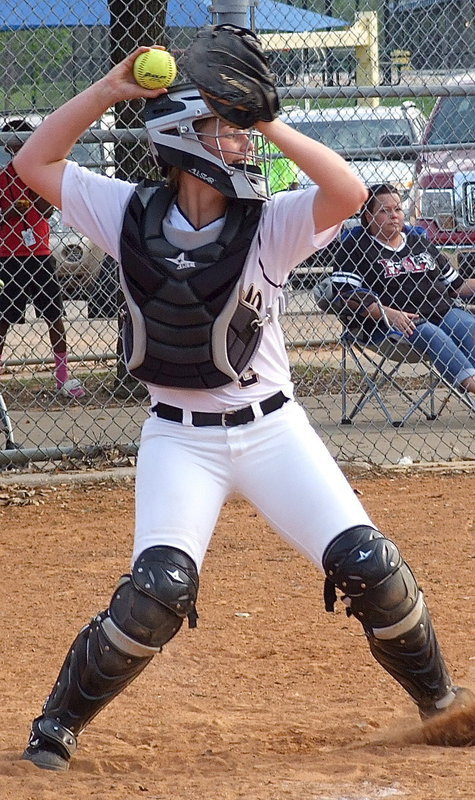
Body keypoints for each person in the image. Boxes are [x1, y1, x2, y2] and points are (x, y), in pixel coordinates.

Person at [13, 36, 473, 772]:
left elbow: (349, 195)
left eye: (239, 127)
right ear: (179, 138)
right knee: (157, 591)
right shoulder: (124, 210)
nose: (238, 142)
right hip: (179, 439)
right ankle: (56, 729)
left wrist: (265, 120)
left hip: (272, 431)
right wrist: (105, 91)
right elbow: (33, 162)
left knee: (369, 563)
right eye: (222, 127)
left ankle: (441, 702)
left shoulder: (270, 221)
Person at [330, 183, 475, 395]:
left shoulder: (419, 242)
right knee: (433, 335)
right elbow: (345, 295)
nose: (394, 216)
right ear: (369, 216)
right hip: (395, 326)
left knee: (468, 325)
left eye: (397, 209)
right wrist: (389, 314)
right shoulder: (355, 248)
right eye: (384, 211)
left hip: (442, 313)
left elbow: (456, 286)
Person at [0, 119, 85, 398]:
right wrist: (9, 212)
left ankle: (62, 378)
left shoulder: (39, 173)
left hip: (39, 253)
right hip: (9, 256)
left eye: (22, 141)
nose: (17, 147)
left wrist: (36, 188)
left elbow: (47, 212)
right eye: (12, 142)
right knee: (3, 318)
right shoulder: (3, 178)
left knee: (54, 316)